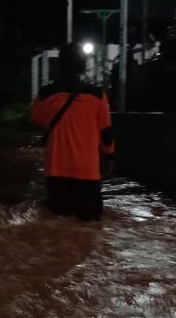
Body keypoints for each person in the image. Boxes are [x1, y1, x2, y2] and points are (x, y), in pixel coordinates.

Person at [30, 42, 115, 221]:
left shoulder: (46, 94)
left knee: (59, 228)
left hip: (57, 173)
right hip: (88, 174)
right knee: (90, 230)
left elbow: (37, 120)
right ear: (84, 65)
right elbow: (106, 133)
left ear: (60, 65)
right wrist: (110, 155)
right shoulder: (98, 96)